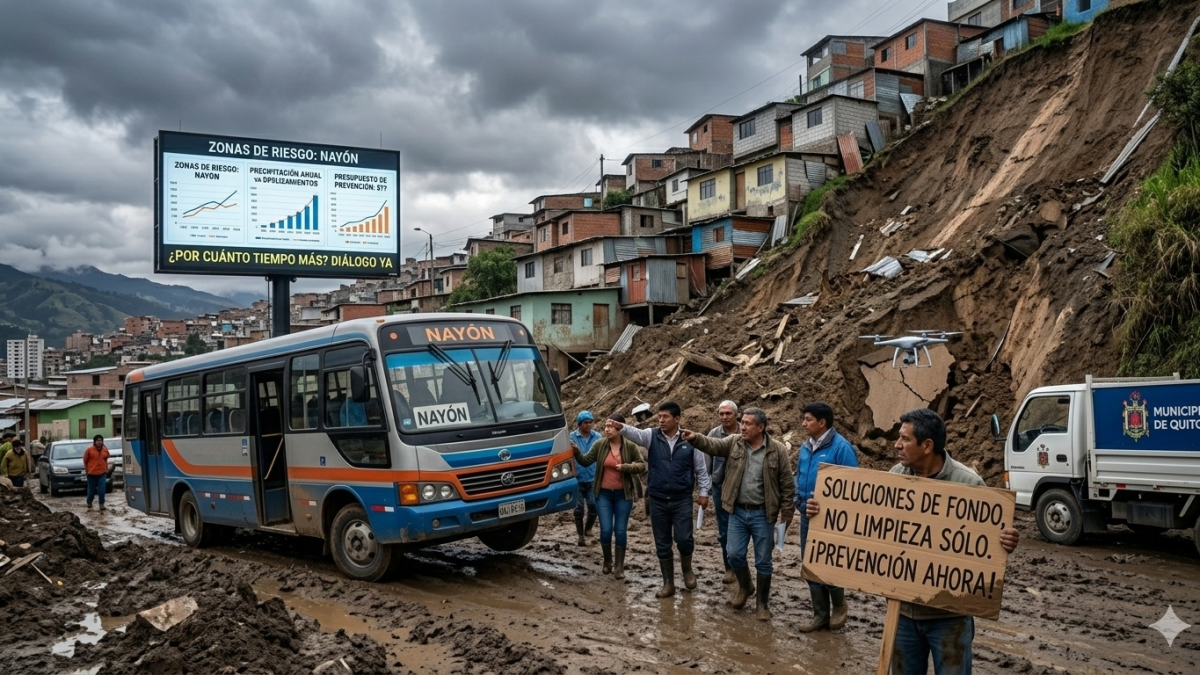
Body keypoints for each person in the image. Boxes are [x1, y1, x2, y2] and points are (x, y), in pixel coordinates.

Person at [806, 408, 1019, 675]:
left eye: (905, 439)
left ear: (927, 446)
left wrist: (1005, 541)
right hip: (902, 613)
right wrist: (824, 512)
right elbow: (867, 523)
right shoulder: (896, 474)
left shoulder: (969, 483)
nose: (896, 445)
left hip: (948, 617)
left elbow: (988, 543)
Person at [684, 408, 795, 620]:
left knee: (763, 561)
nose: (742, 426)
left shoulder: (777, 450)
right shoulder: (734, 442)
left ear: (761, 427)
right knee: (734, 554)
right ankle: (745, 586)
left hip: (764, 514)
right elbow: (713, 445)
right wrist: (695, 438)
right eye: (742, 422)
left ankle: (762, 605)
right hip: (737, 511)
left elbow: (787, 484)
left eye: (747, 423)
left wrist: (787, 513)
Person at [612, 401, 710, 598]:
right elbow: (636, 435)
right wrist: (621, 427)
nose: (661, 420)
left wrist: (703, 492)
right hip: (657, 498)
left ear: (677, 419)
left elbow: (701, 469)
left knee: (683, 538)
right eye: (659, 417)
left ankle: (687, 570)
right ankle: (668, 583)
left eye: (665, 417)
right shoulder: (652, 435)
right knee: (662, 542)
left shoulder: (690, 440)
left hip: (682, 498)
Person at [794, 402, 860, 632]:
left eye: (808, 419)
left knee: (829, 563)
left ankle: (839, 606)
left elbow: (853, 487)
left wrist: (829, 508)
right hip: (806, 515)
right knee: (810, 565)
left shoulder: (841, 448)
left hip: (830, 519)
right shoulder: (806, 447)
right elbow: (799, 474)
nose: (804, 423)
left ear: (822, 423)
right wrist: (797, 498)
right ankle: (820, 615)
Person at [571, 413, 646, 578]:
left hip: (623, 496)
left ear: (620, 428)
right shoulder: (600, 445)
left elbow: (641, 465)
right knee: (605, 530)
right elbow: (585, 461)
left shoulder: (630, 446)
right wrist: (576, 452)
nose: (607, 429)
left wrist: (626, 467)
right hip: (603, 495)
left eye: (611, 426)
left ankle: (619, 567)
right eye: (606, 426)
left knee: (620, 531)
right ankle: (607, 561)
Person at [707, 401, 739, 584]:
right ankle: (729, 568)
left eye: (728, 413)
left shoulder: (745, 431)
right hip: (720, 487)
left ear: (736, 415)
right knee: (724, 529)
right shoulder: (714, 434)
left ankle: (739, 564)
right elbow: (707, 461)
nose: (725, 417)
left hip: (742, 487)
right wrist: (707, 485)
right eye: (721, 414)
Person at [570, 411, 602, 546]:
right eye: (585, 423)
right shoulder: (571, 437)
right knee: (578, 509)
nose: (588, 425)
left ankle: (588, 528)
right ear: (579, 424)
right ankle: (580, 535)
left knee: (594, 505)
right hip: (576, 478)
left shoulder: (598, 437)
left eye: (590, 422)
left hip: (592, 477)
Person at [84, 435, 111, 511]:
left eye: (100, 441)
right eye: (97, 441)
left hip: (102, 473)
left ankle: (101, 504)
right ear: (94, 442)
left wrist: (106, 469)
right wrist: (87, 471)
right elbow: (85, 461)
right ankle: (89, 502)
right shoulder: (89, 450)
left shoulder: (104, 450)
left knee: (102, 490)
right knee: (91, 491)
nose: (99, 442)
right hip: (91, 474)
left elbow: (108, 456)